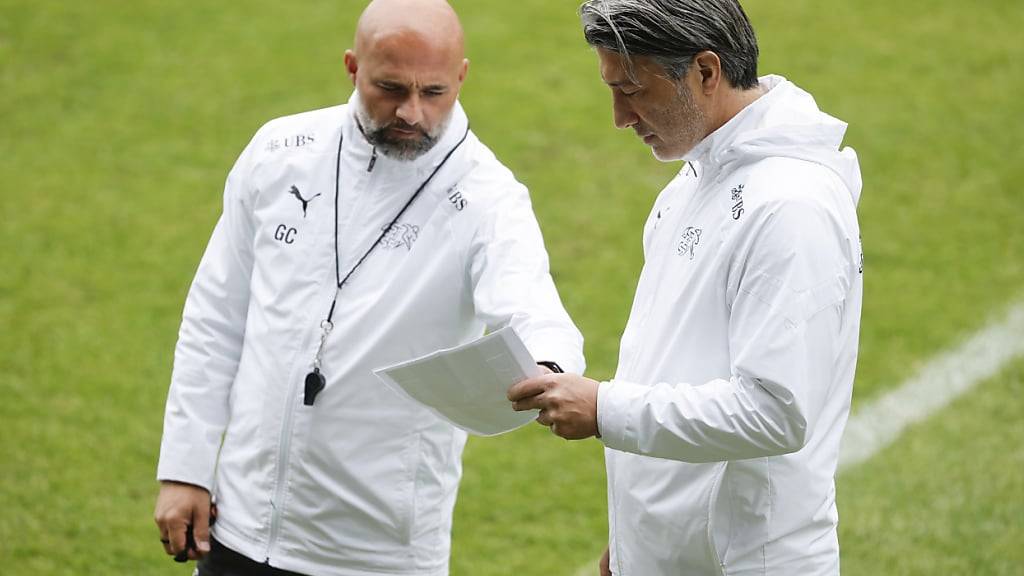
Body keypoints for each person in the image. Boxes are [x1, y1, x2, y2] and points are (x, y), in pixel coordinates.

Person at [153, 1, 585, 574]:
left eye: (433, 92)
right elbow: (216, 316)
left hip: (379, 552)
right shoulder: (279, 152)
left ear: (461, 76)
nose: (412, 112)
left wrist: (552, 366)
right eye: (390, 88)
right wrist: (186, 467)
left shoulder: (489, 198)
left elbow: (532, 304)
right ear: (352, 67)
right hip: (240, 525)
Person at [508, 1, 863, 574]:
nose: (620, 117)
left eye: (632, 90)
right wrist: (632, 543)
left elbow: (775, 411)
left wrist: (604, 408)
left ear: (704, 71)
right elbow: (675, 365)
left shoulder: (792, 208)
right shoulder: (697, 176)